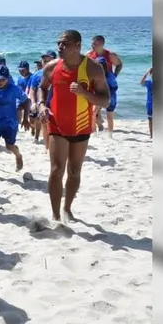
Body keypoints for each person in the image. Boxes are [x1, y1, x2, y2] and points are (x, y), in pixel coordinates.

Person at [38, 30, 111, 222]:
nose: (60, 47)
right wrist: (41, 105)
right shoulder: (52, 67)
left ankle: (67, 208)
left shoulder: (93, 69)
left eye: (65, 44)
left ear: (78, 45)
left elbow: (105, 100)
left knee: (74, 171)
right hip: (57, 125)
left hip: (81, 125)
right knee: (56, 169)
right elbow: (41, 88)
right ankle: (55, 216)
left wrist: (84, 93)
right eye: (59, 43)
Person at [28, 51, 56, 148]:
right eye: (44, 61)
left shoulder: (60, 73)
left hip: (57, 103)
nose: (46, 63)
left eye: (49, 61)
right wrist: (33, 103)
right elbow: (32, 89)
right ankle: (47, 147)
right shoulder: (37, 75)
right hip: (43, 103)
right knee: (44, 123)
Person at [94, 57, 119, 138]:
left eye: (99, 65)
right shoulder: (97, 75)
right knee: (93, 114)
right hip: (102, 96)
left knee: (109, 117)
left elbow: (115, 88)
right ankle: (94, 132)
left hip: (110, 97)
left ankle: (110, 135)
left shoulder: (110, 76)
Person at [140, 67, 153, 138]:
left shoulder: (149, 82)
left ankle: (152, 135)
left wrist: (146, 73)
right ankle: (152, 135)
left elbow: (141, 82)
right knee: (150, 119)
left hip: (150, 103)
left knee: (150, 120)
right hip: (150, 103)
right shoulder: (149, 83)